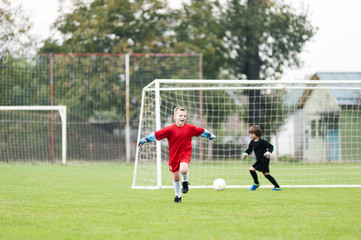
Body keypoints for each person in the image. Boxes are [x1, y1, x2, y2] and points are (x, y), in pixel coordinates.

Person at [138, 106, 216, 203]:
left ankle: (185, 182)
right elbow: (156, 134)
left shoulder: (190, 128)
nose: (182, 117)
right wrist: (144, 140)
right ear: (174, 117)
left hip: (185, 153)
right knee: (176, 177)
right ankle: (178, 196)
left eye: (184, 116)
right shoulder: (169, 129)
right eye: (180, 115)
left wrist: (209, 135)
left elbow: (200, 130)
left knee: (183, 170)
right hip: (174, 156)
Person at [242, 125, 281, 191]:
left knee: (251, 169)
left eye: (252, 134)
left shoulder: (262, 141)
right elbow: (249, 149)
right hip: (261, 160)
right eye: (250, 134)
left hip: (263, 159)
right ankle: (277, 187)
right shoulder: (252, 142)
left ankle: (256, 183)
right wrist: (245, 153)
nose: (250, 135)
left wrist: (269, 152)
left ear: (257, 134)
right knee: (266, 174)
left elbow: (271, 146)